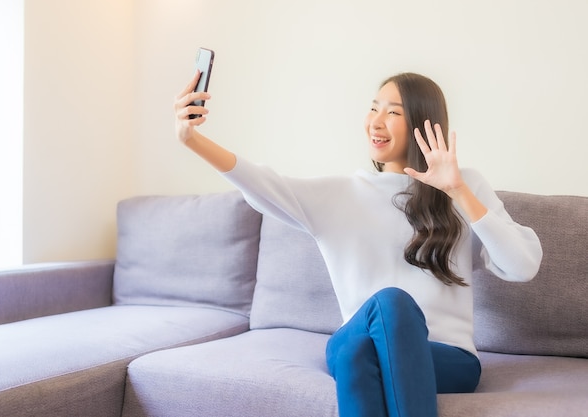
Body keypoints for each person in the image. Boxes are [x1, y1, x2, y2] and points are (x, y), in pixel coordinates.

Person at [173, 70, 543, 417]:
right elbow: (259, 181)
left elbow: (522, 264)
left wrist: (459, 191)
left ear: (422, 123)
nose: (375, 121)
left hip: (447, 358)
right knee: (368, 329)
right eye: (373, 108)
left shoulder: (464, 187)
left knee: (365, 339)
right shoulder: (342, 194)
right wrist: (192, 140)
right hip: (358, 339)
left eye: (393, 112)